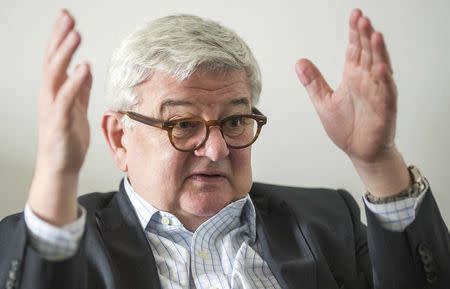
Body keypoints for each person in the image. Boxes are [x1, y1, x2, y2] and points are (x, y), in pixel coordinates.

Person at [0, 7, 449, 289]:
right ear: (120, 138)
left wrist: (377, 162)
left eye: (235, 121)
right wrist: (57, 178)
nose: (215, 149)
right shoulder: (46, 238)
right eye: (183, 124)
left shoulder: (329, 220)